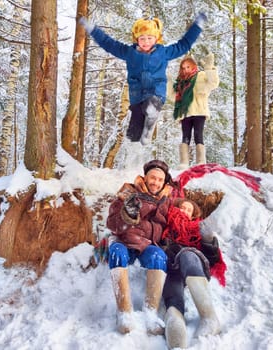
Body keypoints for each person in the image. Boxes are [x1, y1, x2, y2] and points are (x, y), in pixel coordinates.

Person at [79, 13, 208, 155]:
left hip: (156, 93)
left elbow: (184, 44)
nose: (146, 42)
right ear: (136, 39)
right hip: (136, 96)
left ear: (156, 38)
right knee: (133, 134)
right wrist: (92, 29)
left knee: (151, 106)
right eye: (142, 38)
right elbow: (109, 44)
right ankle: (133, 159)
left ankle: (148, 129)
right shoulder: (129, 52)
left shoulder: (164, 52)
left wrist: (197, 27)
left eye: (150, 38)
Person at [106, 159, 175, 335]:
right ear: (145, 178)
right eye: (153, 178)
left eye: (160, 180)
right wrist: (126, 215)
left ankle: (150, 312)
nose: (156, 182)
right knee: (116, 252)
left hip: (147, 245)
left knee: (159, 257)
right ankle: (124, 312)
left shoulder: (165, 200)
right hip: (125, 241)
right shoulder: (128, 192)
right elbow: (112, 224)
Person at [160, 197, 226, 348]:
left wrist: (208, 240)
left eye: (189, 210)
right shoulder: (166, 225)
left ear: (193, 215)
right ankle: (174, 319)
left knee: (187, 255)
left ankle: (209, 316)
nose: (185, 211)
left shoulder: (196, 228)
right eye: (183, 207)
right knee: (171, 281)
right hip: (171, 264)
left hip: (192, 262)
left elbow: (212, 259)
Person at [167, 53, 219, 168]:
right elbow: (172, 96)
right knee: (185, 136)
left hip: (199, 111)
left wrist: (209, 68)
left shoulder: (201, 76)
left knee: (198, 135)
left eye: (188, 67)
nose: (186, 70)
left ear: (193, 66)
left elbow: (213, 84)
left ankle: (201, 161)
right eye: (183, 67)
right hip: (185, 113)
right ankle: (184, 162)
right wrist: (169, 82)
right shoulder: (180, 82)